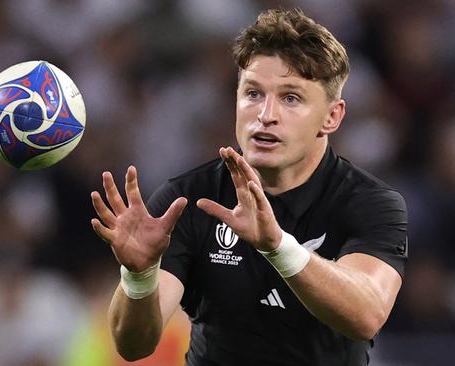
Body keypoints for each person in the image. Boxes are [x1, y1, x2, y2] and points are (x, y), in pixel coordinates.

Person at [90, 8, 408, 366]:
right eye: (253, 93)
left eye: (291, 98)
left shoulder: (370, 203)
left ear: (331, 116)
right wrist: (139, 277)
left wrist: (277, 247)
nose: (266, 114)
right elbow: (134, 346)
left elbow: (367, 315)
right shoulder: (187, 201)